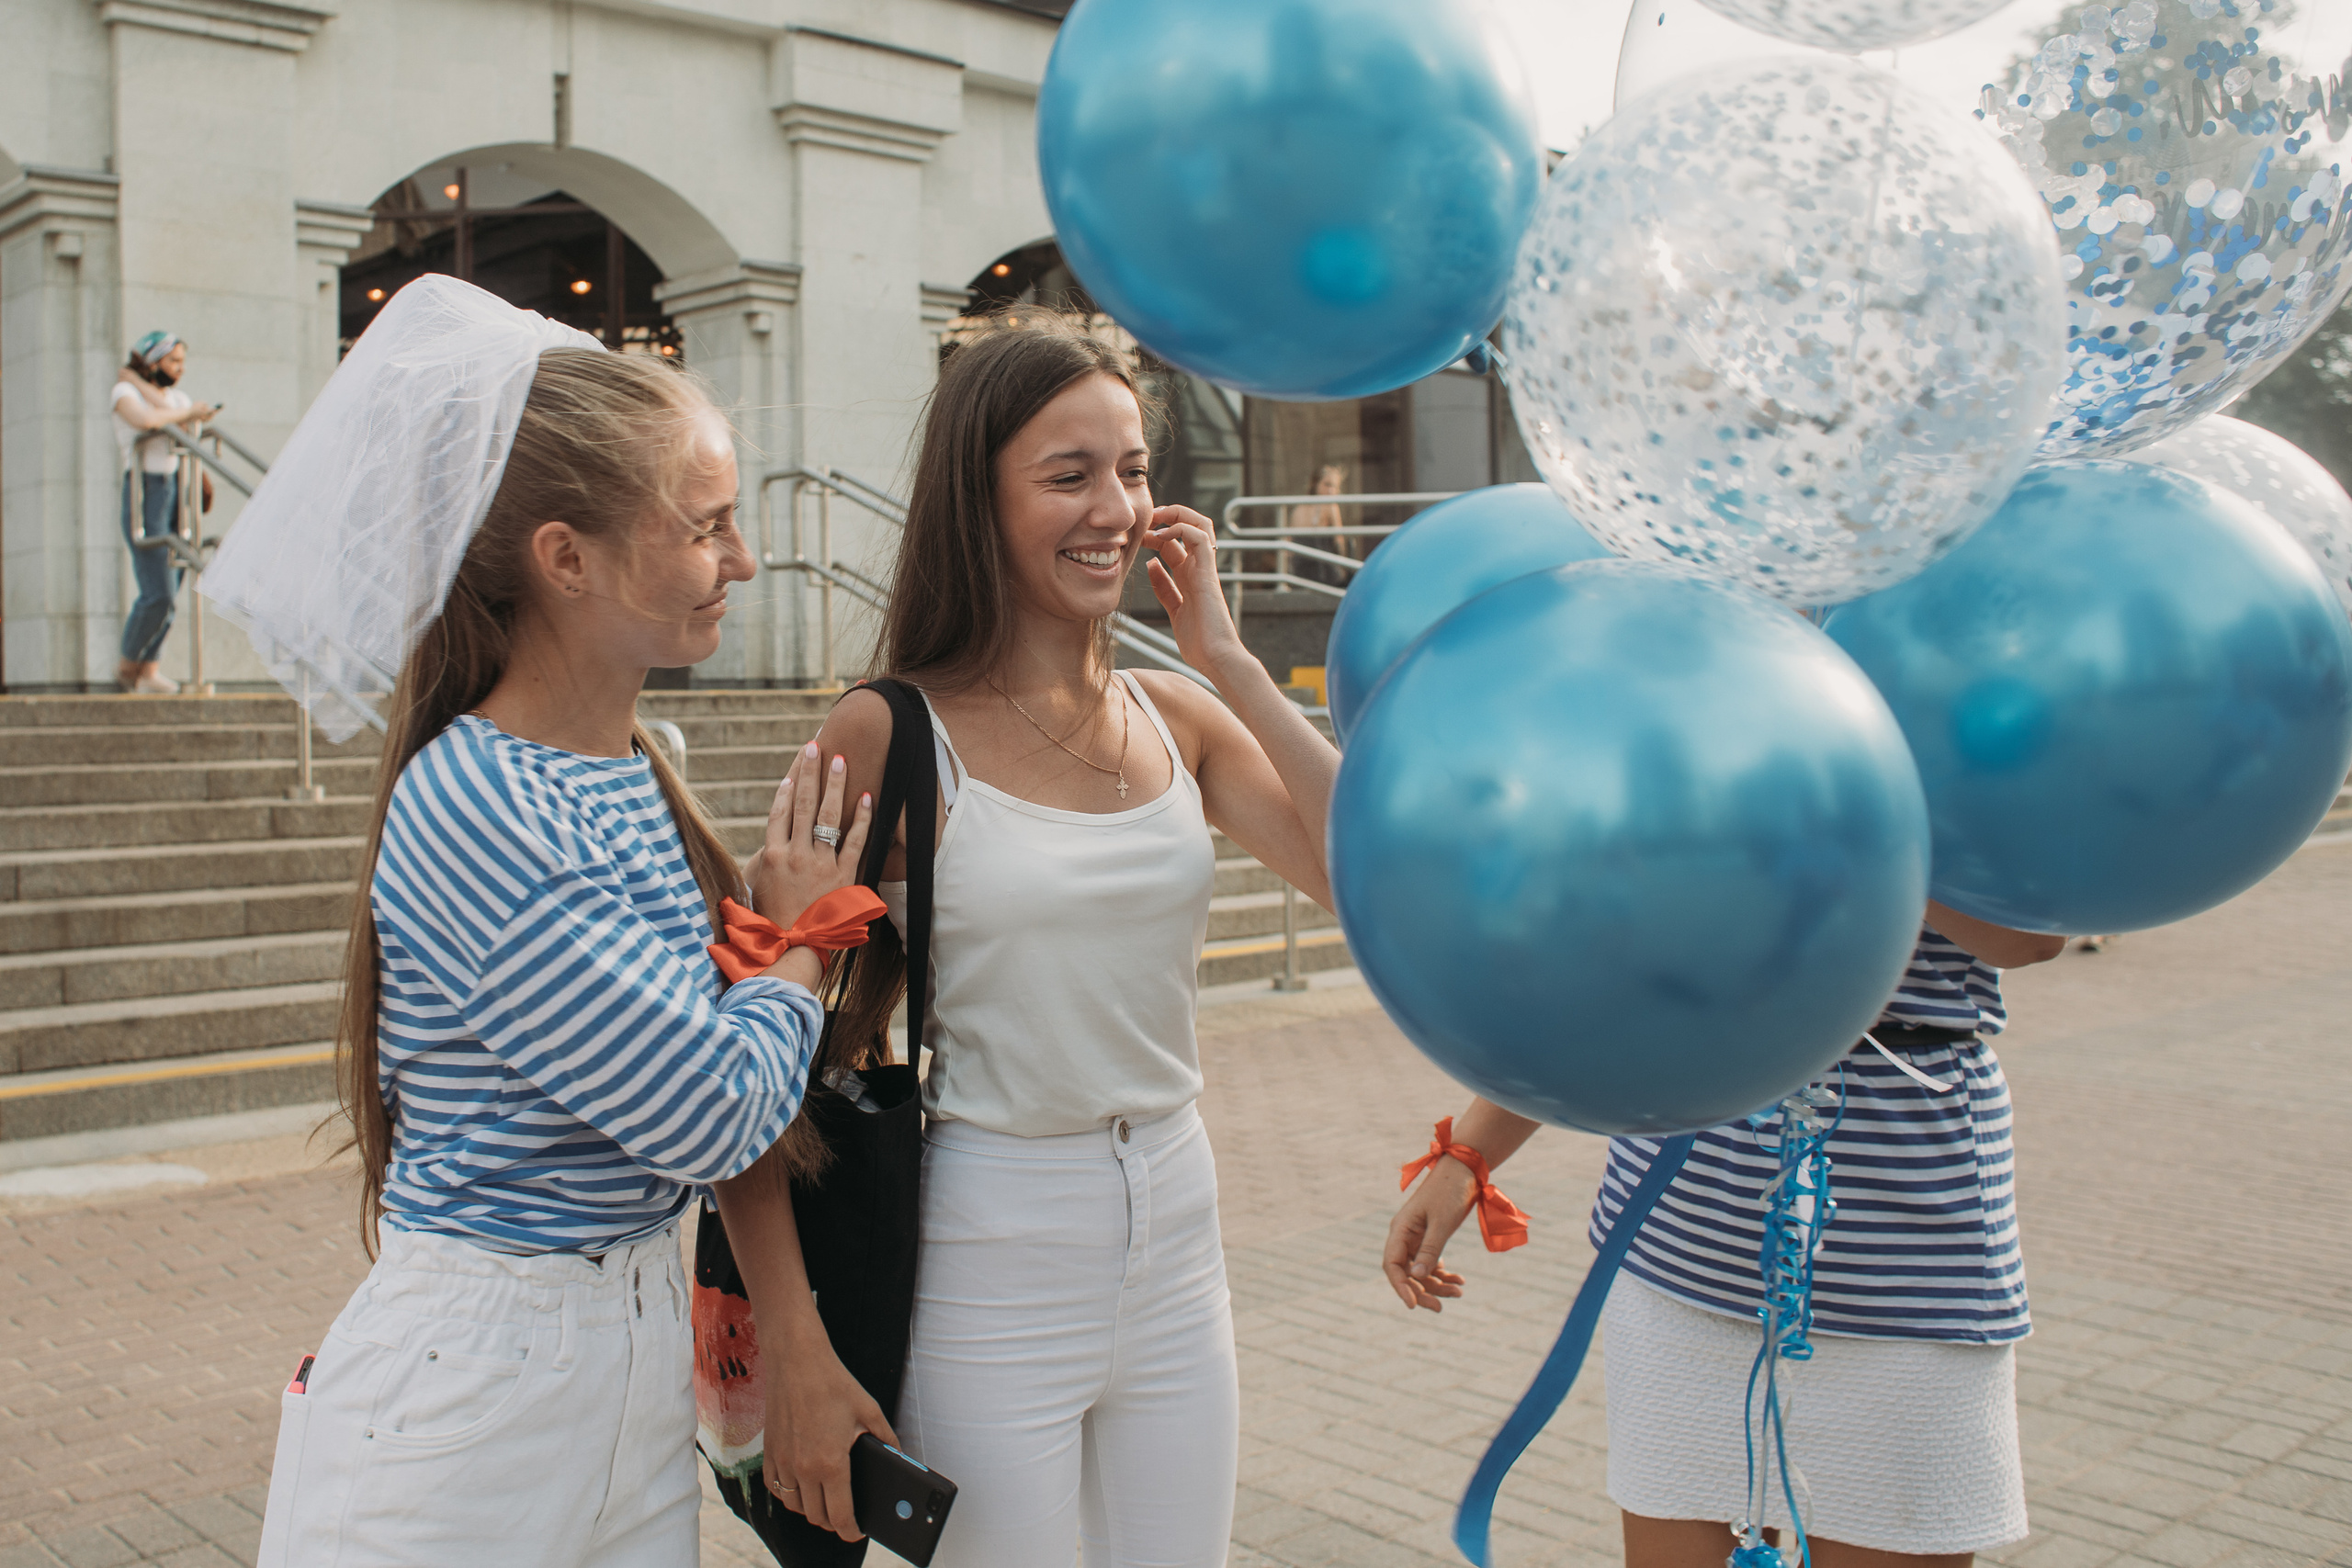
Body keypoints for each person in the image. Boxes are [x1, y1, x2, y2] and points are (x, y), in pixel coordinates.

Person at [204, 276, 862, 1567]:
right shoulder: (479, 799)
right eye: (706, 526)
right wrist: (792, 938)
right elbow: (712, 1110)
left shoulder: (622, 766)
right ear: (565, 557)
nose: (741, 559)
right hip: (476, 1391)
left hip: (612, 1348)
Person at [718, 312, 1340, 1567]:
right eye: (1068, 475)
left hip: (1177, 1211)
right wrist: (790, 1338)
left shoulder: (1178, 712)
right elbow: (741, 1052)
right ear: (977, 500)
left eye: (1134, 469)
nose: (1114, 506)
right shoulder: (885, 733)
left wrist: (1230, 656)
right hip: (992, 1233)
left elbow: (1365, 878)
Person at [1385, 906, 2067, 1568]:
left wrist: (1849, 813)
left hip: (1906, 1267)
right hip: (1681, 1254)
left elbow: (2032, 933)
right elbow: (1606, 979)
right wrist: (1466, 1156)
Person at [109, 331, 219, 693]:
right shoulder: (122, 392)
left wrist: (143, 383)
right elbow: (144, 420)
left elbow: (184, 425)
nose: (180, 370)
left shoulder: (173, 397)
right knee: (159, 594)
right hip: (145, 490)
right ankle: (128, 665)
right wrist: (187, 411)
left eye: (183, 362)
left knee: (173, 588)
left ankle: (149, 670)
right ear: (152, 360)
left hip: (176, 490)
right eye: (173, 362)